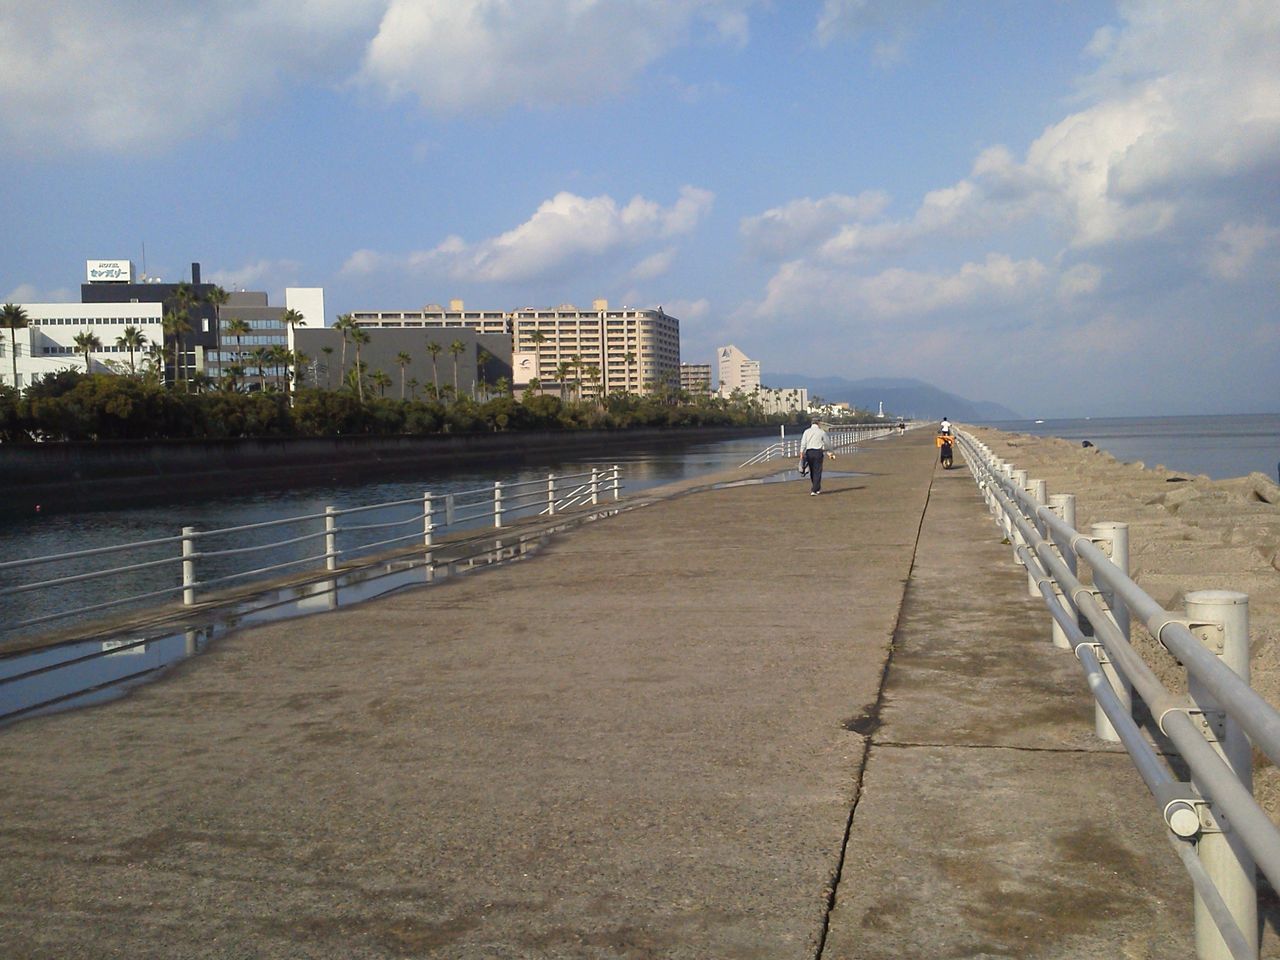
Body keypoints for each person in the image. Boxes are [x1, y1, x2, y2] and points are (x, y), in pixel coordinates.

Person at [800, 419, 831, 495]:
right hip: (818, 452)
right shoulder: (821, 432)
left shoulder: (806, 431)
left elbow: (803, 443)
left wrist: (801, 453)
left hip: (809, 452)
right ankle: (814, 489)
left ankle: (816, 487)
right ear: (818, 423)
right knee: (817, 471)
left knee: (812, 471)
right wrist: (830, 451)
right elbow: (827, 443)